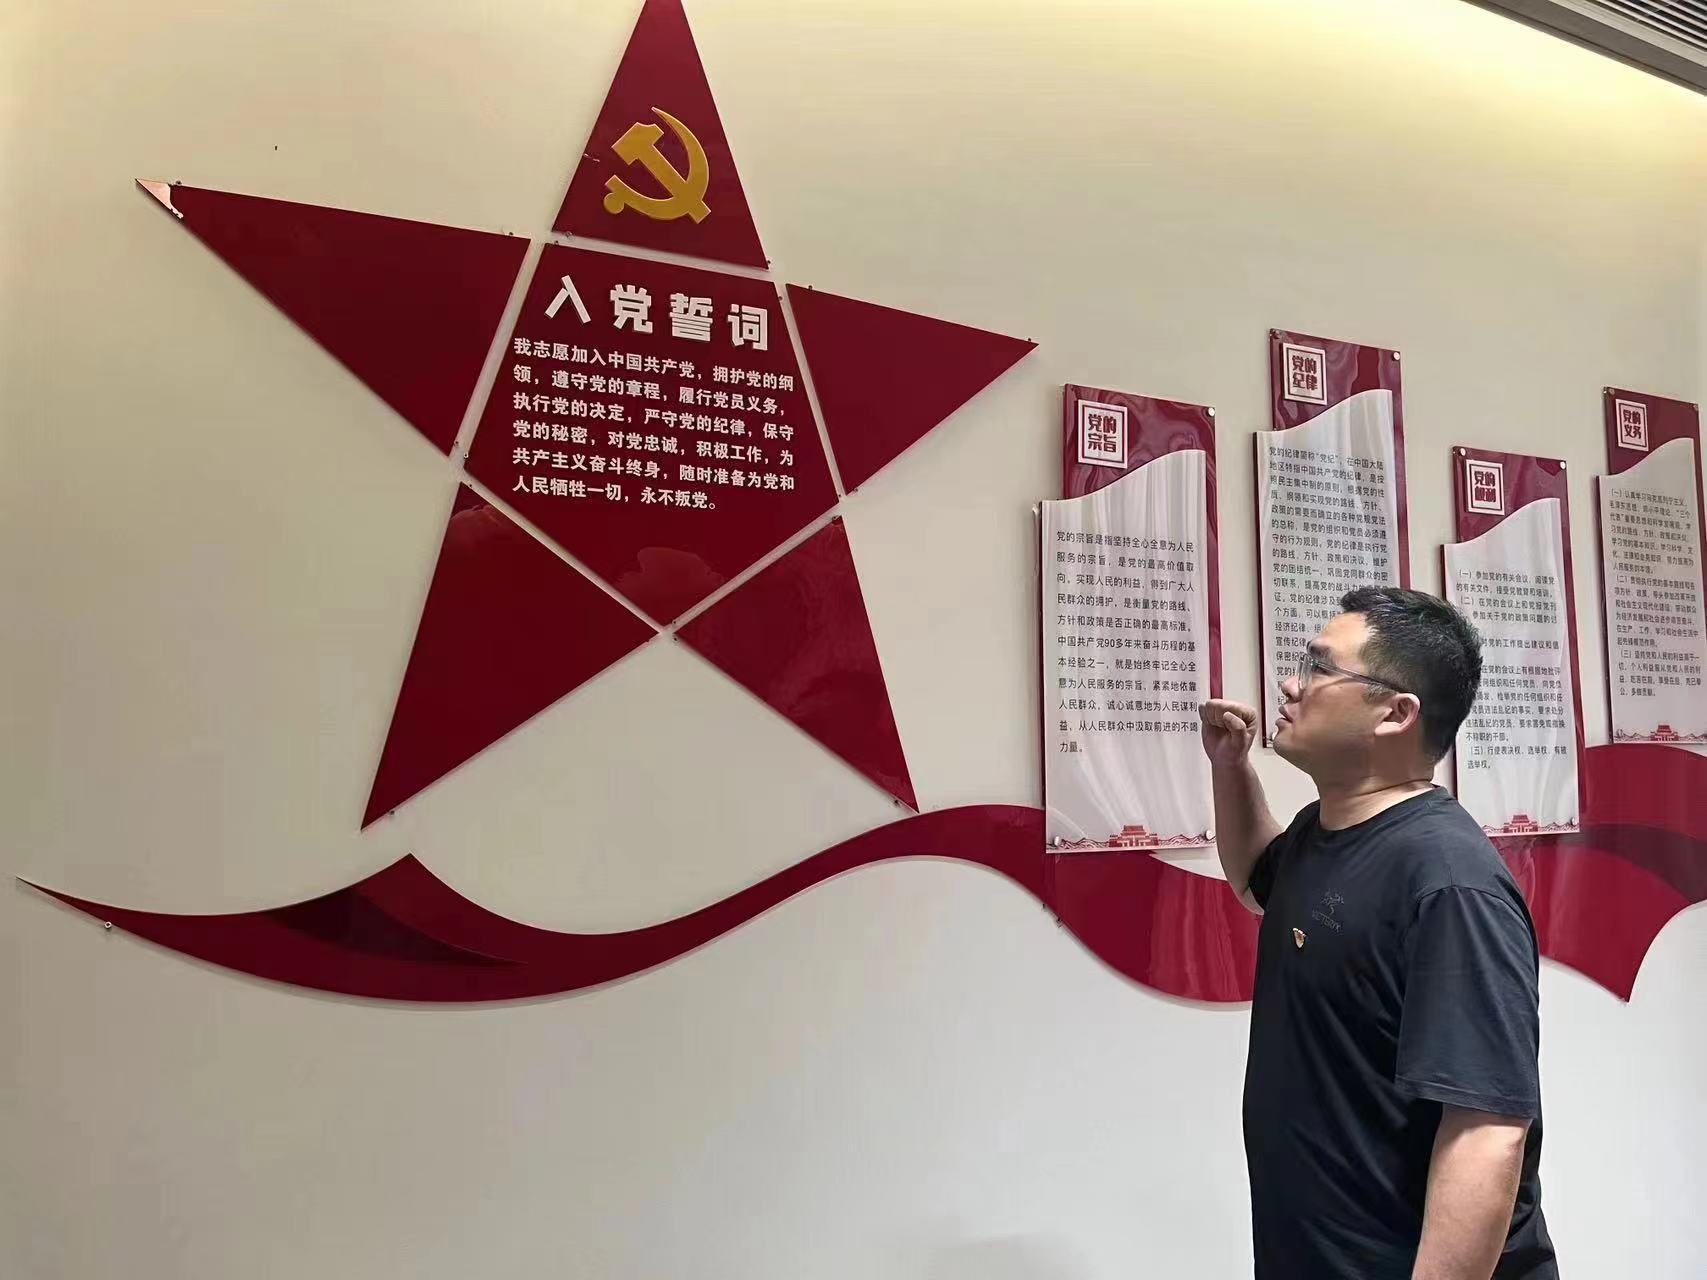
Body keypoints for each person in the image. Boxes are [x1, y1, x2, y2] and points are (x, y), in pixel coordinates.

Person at [1200, 586, 1556, 1280]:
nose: (1291, 683)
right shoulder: (1326, 828)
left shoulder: (1449, 884)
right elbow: (1254, 879)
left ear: (1396, 713)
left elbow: (1486, 1132)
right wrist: (1230, 769)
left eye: (1318, 667)